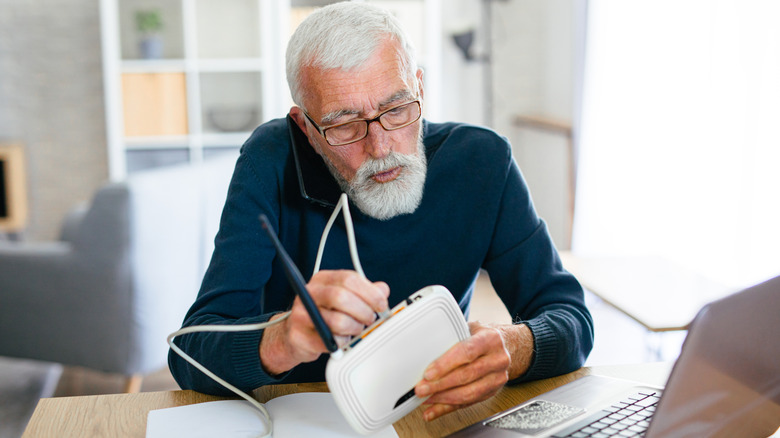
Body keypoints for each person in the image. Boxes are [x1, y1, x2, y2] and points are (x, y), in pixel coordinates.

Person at [169, 2, 593, 422]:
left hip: (431, 412)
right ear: (307, 129)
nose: (381, 147)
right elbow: (190, 353)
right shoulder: (271, 160)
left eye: (396, 109)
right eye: (344, 125)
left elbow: (572, 318)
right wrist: (280, 340)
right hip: (304, 420)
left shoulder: (483, 161)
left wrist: (516, 346)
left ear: (420, 89)